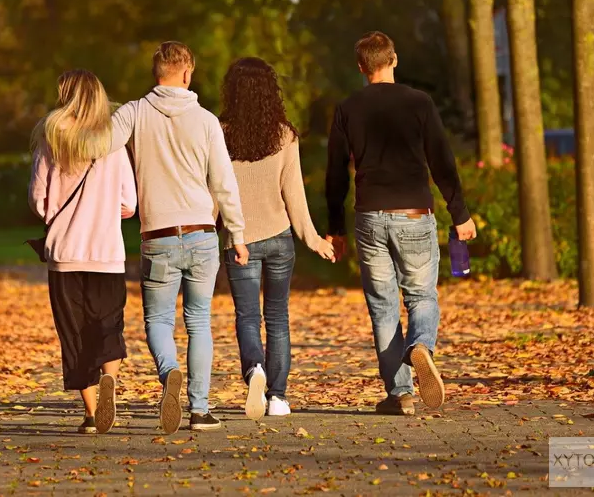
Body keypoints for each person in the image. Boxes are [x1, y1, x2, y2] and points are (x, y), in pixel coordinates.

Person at [325, 32, 477, 415]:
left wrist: (336, 228)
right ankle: (421, 345)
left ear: (361, 68)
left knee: (382, 307)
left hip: (370, 217)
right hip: (413, 214)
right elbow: (442, 160)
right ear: (394, 59)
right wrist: (460, 213)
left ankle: (401, 395)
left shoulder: (347, 108)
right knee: (422, 296)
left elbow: (335, 175)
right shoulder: (419, 103)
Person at [108, 42, 247, 433]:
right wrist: (236, 234)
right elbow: (224, 183)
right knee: (200, 321)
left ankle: (169, 372)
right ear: (187, 73)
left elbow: (100, 148)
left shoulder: (133, 113)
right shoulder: (205, 121)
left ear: (156, 73)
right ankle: (200, 410)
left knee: (158, 318)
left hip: (158, 236)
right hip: (203, 233)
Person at [218, 58, 335, 420]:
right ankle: (279, 398)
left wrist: (206, 231)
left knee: (248, 316)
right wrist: (313, 239)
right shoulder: (286, 135)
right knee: (278, 317)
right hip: (280, 239)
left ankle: (255, 369)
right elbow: (293, 195)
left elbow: (215, 192)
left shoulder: (219, 133)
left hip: (239, 240)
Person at [28, 69, 137, 434]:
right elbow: (129, 203)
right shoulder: (114, 142)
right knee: (108, 326)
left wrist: (57, 214)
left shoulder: (51, 139)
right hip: (107, 252)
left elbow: (39, 201)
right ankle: (110, 383)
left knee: (74, 336)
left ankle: (92, 415)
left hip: (65, 255)